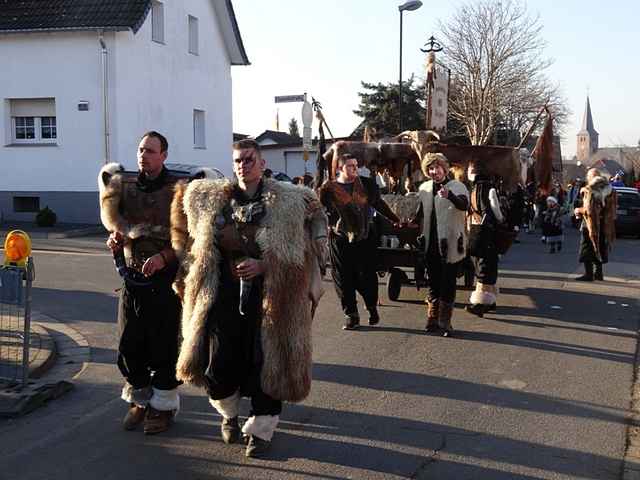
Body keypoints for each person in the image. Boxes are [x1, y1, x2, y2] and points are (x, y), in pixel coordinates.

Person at [171, 139, 328, 458]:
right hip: (224, 294)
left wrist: (264, 264)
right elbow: (190, 240)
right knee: (219, 366)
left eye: (249, 159)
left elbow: (311, 238)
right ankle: (229, 414)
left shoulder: (288, 201)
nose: (243, 165)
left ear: (261, 163)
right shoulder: (213, 200)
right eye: (238, 161)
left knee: (265, 364)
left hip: (271, 297)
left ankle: (262, 429)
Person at [99, 131, 182, 434]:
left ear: (164, 155)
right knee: (129, 344)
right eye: (140, 150)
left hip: (166, 282)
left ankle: (162, 407)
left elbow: (189, 238)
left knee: (164, 346)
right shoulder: (125, 187)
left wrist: (164, 257)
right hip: (132, 279)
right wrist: (115, 240)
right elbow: (115, 224)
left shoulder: (178, 190)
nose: (143, 155)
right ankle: (141, 399)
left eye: (150, 150)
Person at [319, 153, 400, 330]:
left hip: (364, 237)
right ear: (340, 168)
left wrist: (395, 219)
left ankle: (371, 307)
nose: (355, 168)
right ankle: (351, 315)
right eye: (350, 166)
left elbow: (379, 204)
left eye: (356, 165)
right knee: (343, 278)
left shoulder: (367, 184)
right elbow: (320, 210)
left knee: (366, 276)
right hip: (339, 239)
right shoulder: (328, 189)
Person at [410, 153, 469, 336]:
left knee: (448, 283)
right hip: (431, 243)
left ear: (445, 168)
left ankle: (445, 322)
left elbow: (464, 205)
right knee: (433, 282)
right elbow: (419, 212)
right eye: (430, 169)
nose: (434, 171)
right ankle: (432, 319)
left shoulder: (457, 186)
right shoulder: (425, 188)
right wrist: (407, 220)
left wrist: (449, 195)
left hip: (451, 243)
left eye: (437, 167)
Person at [466, 160, 504, 317]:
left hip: (485, 233)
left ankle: (481, 303)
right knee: (488, 266)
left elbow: (489, 211)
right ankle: (491, 301)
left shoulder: (481, 187)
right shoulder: (485, 186)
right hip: (488, 232)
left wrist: (482, 230)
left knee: (484, 268)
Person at [573, 167, 616, 281]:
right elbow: (613, 208)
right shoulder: (610, 189)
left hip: (590, 224)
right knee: (600, 246)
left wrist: (578, 210)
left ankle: (589, 274)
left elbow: (589, 211)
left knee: (587, 247)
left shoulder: (590, 190)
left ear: (591, 177)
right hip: (605, 224)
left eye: (589, 177)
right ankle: (598, 273)